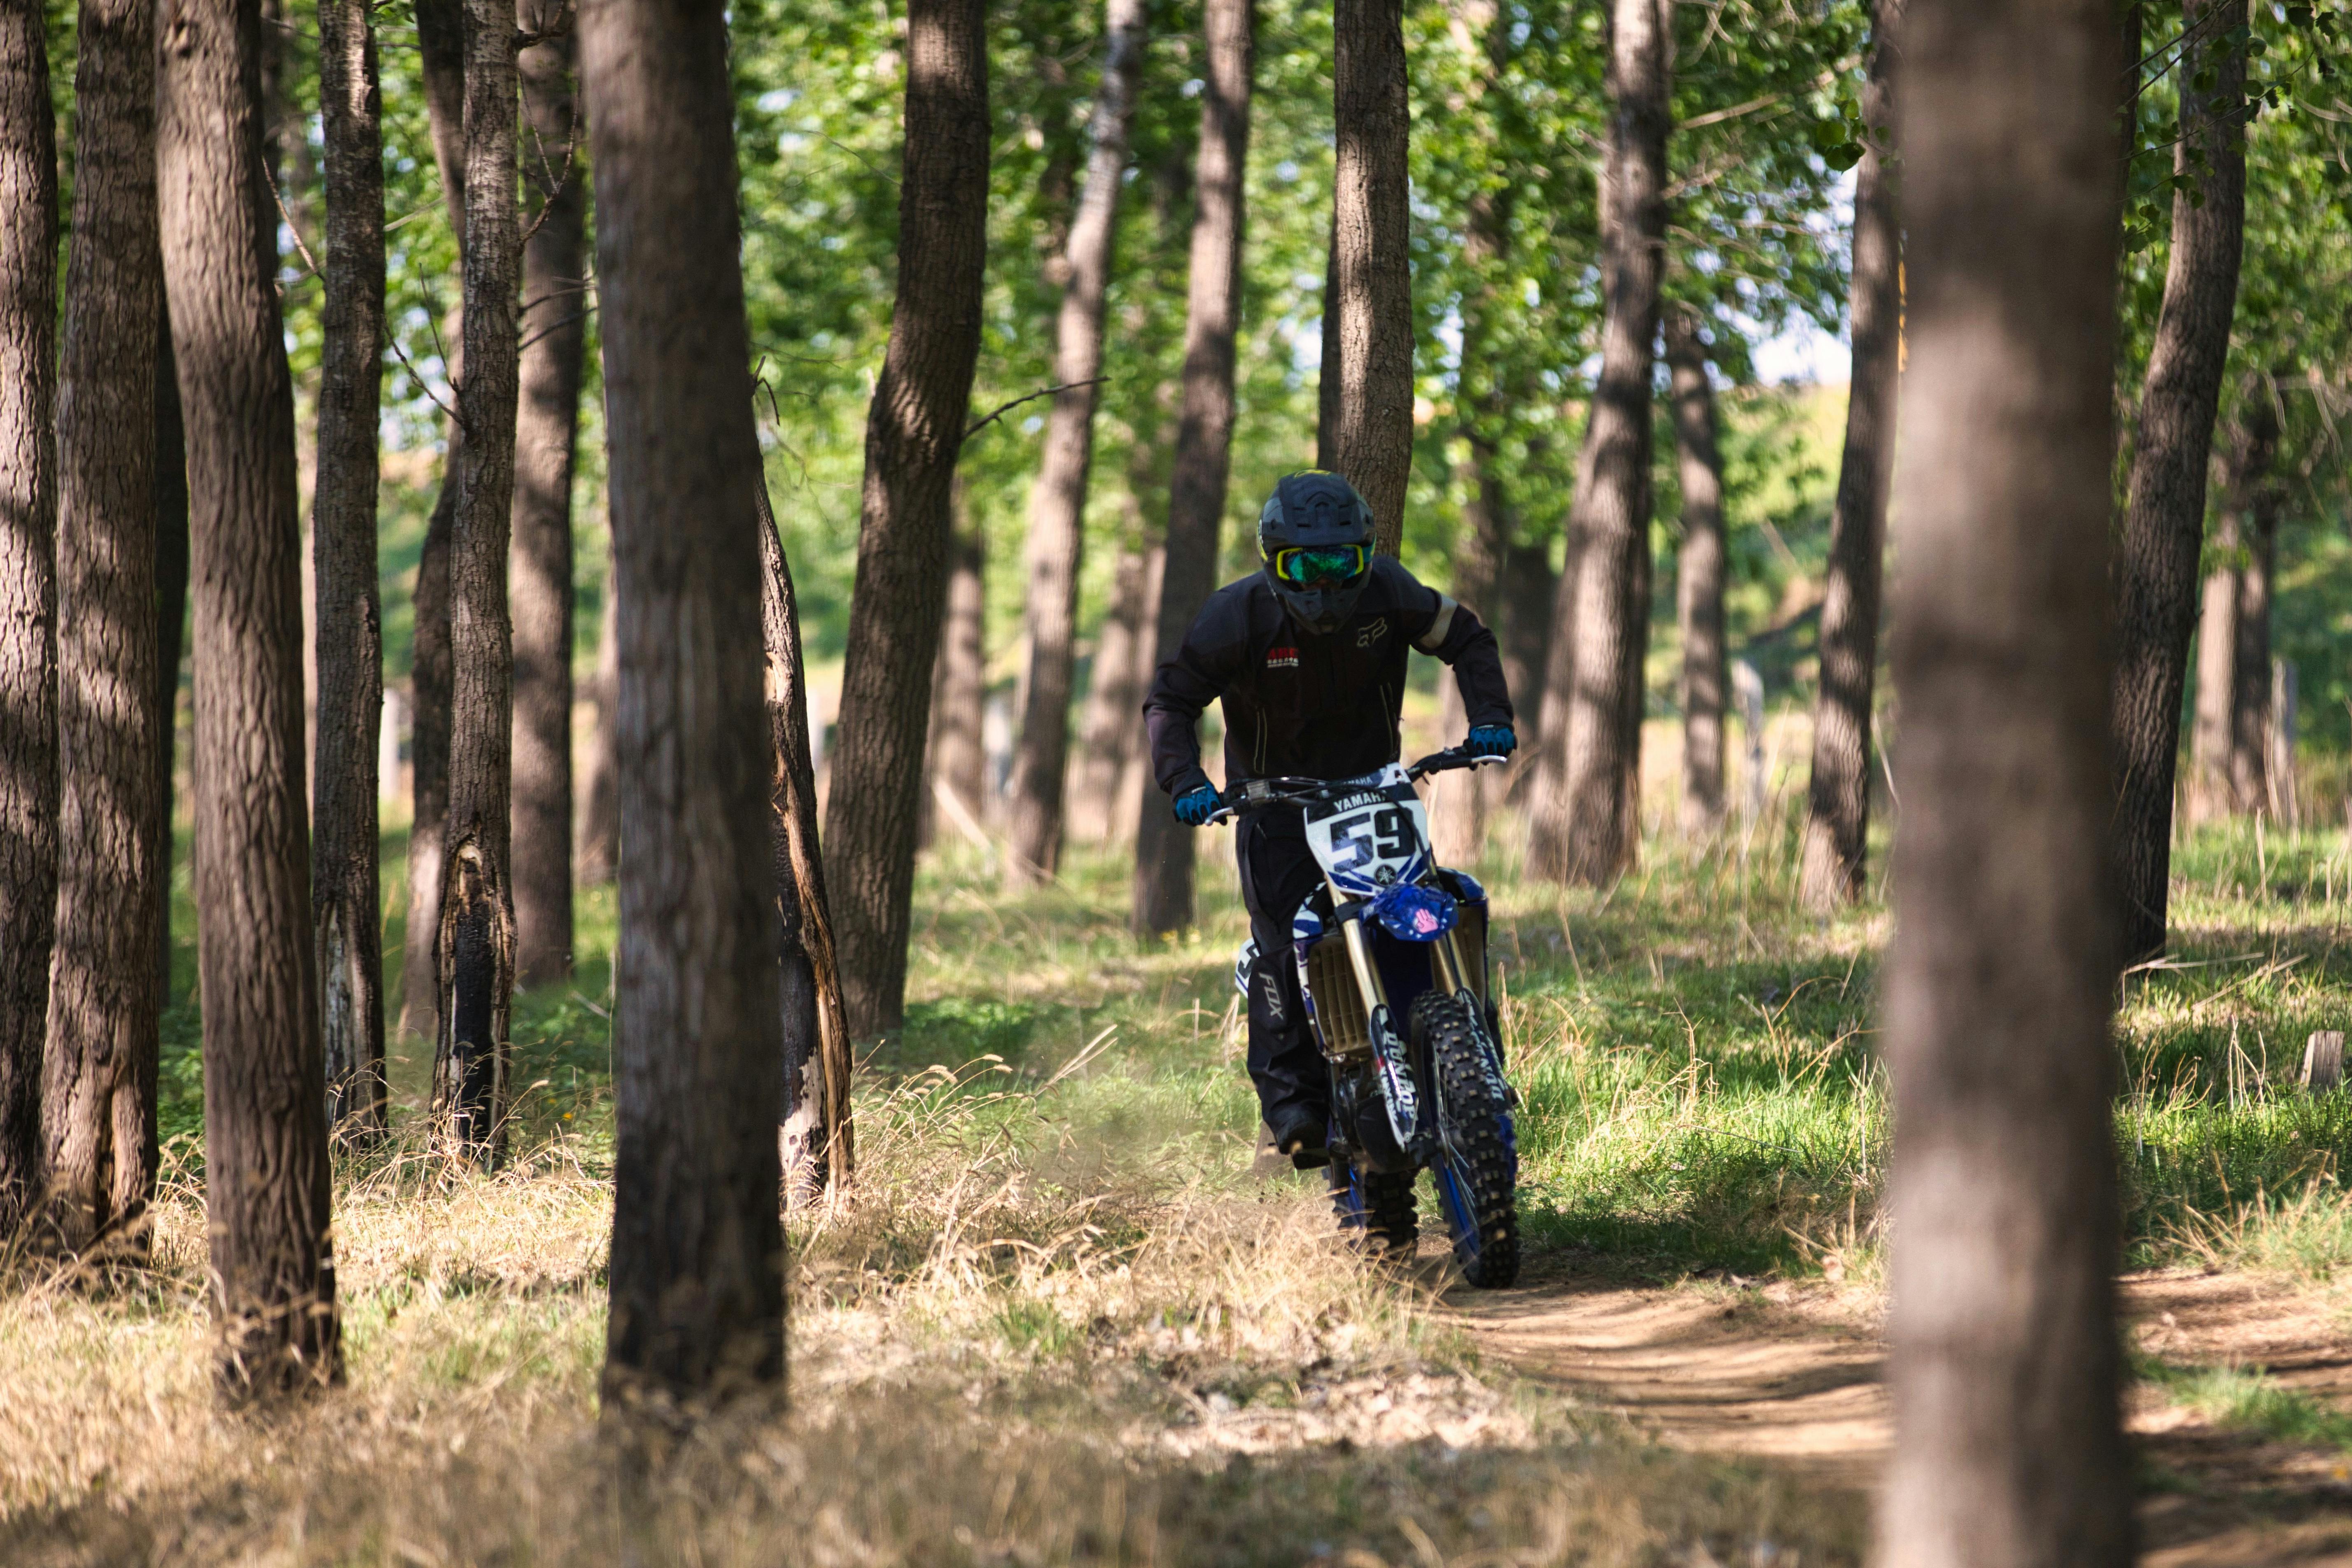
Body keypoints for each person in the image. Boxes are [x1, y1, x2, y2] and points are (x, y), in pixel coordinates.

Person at [1143, 469, 1516, 1164]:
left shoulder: (1390, 593)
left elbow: (1466, 637)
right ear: (1272, 561)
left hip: (1377, 791)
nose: (1323, 582)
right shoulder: (1236, 616)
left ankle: (1473, 1055)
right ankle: (1296, 1112)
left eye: (1340, 562)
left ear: (1366, 555)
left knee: (1440, 908)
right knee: (1286, 948)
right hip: (1274, 804)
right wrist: (1186, 780)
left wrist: (1491, 718)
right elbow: (1170, 702)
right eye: (1303, 565)